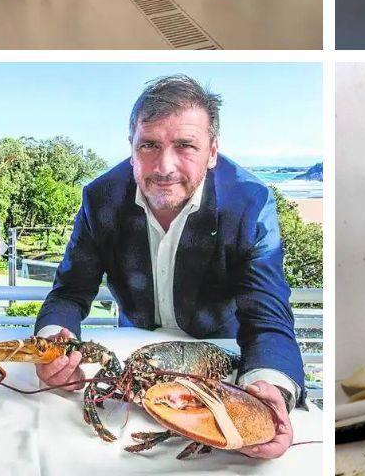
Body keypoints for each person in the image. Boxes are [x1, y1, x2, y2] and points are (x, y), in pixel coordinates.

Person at [34, 75, 302, 460]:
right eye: (149, 145)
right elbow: (70, 293)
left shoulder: (249, 202)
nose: (164, 166)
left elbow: (268, 317)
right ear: (131, 147)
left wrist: (268, 386)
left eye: (185, 146)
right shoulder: (100, 198)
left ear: (212, 151)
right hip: (133, 371)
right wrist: (53, 345)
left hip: (219, 366)